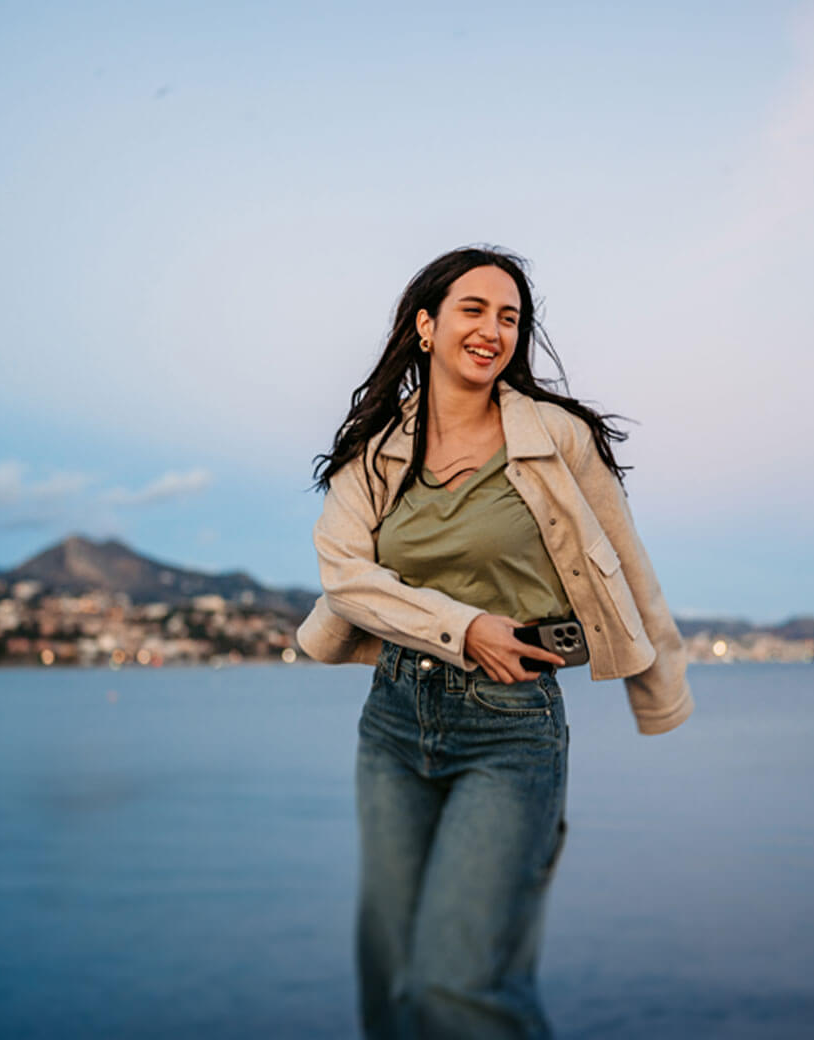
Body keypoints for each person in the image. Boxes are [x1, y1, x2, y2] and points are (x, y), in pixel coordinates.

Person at [299, 245, 695, 1039]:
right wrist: (463, 628)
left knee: (459, 983)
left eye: (509, 317)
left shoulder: (556, 436)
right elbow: (344, 575)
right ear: (426, 325)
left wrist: (660, 693)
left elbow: (629, 564)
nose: (493, 330)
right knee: (393, 981)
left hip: (511, 725)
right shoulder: (378, 452)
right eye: (473, 310)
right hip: (393, 723)